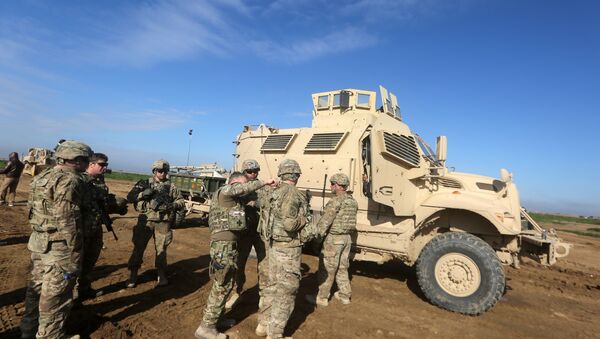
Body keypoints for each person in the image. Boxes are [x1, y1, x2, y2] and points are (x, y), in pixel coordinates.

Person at [19, 140, 92, 339]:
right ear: (77, 160)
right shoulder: (70, 180)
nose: (87, 165)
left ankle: (28, 330)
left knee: (36, 289)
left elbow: (30, 209)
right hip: (59, 246)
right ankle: (52, 335)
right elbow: (67, 217)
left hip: (39, 241)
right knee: (56, 295)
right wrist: (76, 249)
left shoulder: (43, 176)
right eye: (86, 160)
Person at [194, 172, 275, 339]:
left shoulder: (233, 200)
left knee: (226, 285)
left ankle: (214, 320)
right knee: (221, 286)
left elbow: (254, 201)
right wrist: (264, 182)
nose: (243, 189)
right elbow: (244, 188)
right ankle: (206, 328)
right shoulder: (225, 192)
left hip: (228, 246)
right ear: (233, 183)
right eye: (241, 185)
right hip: (223, 247)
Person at [256, 159, 310, 339]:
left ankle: (263, 325)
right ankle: (275, 334)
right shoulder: (293, 194)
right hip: (288, 249)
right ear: (296, 175)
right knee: (286, 291)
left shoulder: (274, 192)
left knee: (271, 287)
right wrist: (305, 220)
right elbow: (289, 224)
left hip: (272, 246)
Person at [77, 153, 128, 301]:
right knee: (76, 264)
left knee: (90, 262)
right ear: (90, 164)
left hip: (95, 228)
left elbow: (100, 204)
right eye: (101, 164)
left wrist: (115, 206)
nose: (105, 167)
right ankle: (70, 295)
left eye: (106, 165)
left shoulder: (99, 182)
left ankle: (84, 289)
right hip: (81, 231)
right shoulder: (79, 182)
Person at [126, 160, 185, 287]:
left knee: (161, 249)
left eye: (165, 171)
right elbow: (130, 197)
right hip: (145, 221)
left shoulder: (171, 187)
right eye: (160, 171)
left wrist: (173, 205)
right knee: (138, 248)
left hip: (163, 222)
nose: (163, 173)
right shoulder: (144, 183)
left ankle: (161, 274)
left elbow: (181, 201)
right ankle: (133, 275)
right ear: (154, 171)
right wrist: (143, 194)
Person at [305, 173, 358, 306]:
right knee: (342, 267)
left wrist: (316, 239)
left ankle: (321, 298)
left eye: (332, 184)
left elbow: (325, 222)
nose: (330, 187)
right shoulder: (352, 201)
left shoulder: (336, 200)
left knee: (327, 269)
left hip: (334, 239)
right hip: (347, 239)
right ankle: (345, 295)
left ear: (337, 185)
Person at [225, 159, 269, 310]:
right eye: (249, 171)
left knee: (264, 265)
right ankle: (237, 292)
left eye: (256, 171)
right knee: (238, 264)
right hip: (243, 233)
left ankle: (263, 296)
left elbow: (267, 203)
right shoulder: (238, 187)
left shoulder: (264, 187)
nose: (253, 174)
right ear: (244, 173)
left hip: (260, 232)